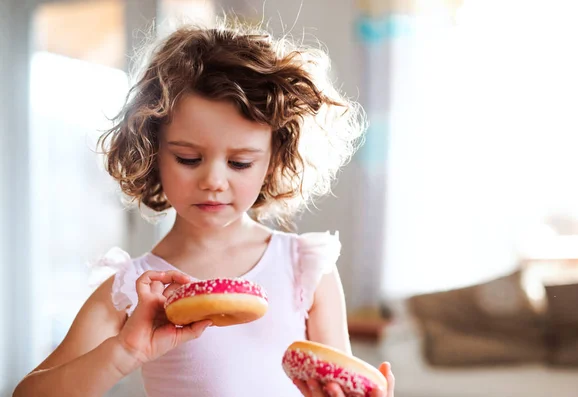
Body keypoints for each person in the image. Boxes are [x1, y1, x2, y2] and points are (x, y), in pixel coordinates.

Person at [13, 21, 395, 397]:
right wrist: (123, 353)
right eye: (188, 158)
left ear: (274, 159)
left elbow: (336, 381)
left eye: (240, 163)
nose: (213, 181)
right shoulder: (132, 288)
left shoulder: (305, 269)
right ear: (152, 150)